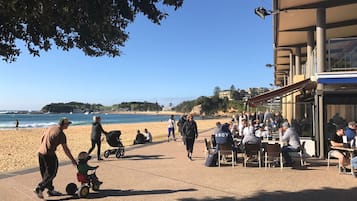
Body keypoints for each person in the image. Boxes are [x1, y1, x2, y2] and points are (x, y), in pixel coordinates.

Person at [34, 117, 77, 199]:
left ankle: (50, 190)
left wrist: (44, 146)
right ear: (63, 124)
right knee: (52, 173)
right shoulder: (61, 134)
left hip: (40, 153)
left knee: (45, 173)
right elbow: (66, 149)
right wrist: (73, 160)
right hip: (49, 154)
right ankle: (39, 188)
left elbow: (42, 137)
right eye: (67, 124)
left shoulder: (51, 127)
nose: (68, 125)